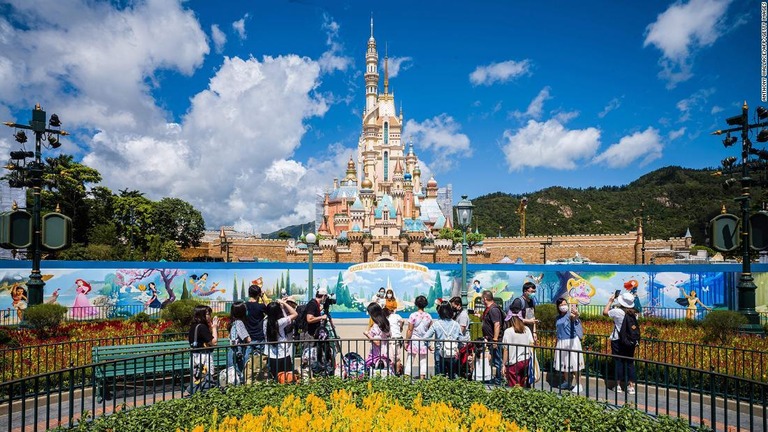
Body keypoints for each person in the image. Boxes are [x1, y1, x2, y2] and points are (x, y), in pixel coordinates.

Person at [603, 291, 637, 394]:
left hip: (617, 340)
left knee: (619, 362)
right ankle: (631, 387)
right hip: (630, 341)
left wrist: (610, 301)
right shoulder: (634, 313)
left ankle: (618, 386)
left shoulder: (617, 312)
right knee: (630, 363)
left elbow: (605, 313)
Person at [423, 302, 467, 378]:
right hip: (452, 351)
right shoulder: (455, 324)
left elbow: (426, 337)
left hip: (439, 351)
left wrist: (429, 346)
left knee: (439, 374)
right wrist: (458, 348)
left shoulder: (436, 324)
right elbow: (461, 339)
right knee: (452, 374)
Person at [554, 298, 584, 393]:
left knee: (575, 363)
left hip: (571, 342)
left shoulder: (569, 315)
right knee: (565, 363)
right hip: (561, 342)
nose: (563, 306)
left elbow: (574, 317)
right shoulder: (557, 318)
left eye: (565, 304)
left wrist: (576, 314)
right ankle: (567, 382)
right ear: (558, 307)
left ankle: (579, 384)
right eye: (561, 304)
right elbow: (558, 331)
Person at [263, 299, 298, 381]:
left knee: (274, 378)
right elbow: (295, 314)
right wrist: (284, 304)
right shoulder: (280, 322)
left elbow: (269, 311)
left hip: (270, 354)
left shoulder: (265, 322)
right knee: (286, 378)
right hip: (282, 354)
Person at [188, 305, 218, 392]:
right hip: (204, 357)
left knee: (197, 380)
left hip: (195, 356)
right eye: (208, 314)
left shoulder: (194, 326)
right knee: (206, 380)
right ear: (202, 315)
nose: (210, 316)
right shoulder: (202, 327)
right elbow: (214, 342)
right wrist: (214, 328)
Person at [501, 304, 533, 387]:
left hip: (514, 362)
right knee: (522, 383)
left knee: (513, 386)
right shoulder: (527, 329)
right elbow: (531, 343)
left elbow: (506, 349)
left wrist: (503, 364)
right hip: (525, 360)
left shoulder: (508, 331)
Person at [404, 295, 432, 379]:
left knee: (410, 359)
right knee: (423, 360)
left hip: (414, 340)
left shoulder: (413, 315)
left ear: (416, 304)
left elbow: (410, 330)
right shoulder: (429, 316)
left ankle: (407, 377)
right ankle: (422, 378)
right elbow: (430, 331)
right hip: (424, 341)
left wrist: (406, 341)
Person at [479, 290, 504, 385]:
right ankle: (494, 379)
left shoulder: (493, 309)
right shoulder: (489, 309)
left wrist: (495, 340)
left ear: (485, 298)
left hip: (494, 340)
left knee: (498, 361)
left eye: (482, 298)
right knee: (493, 360)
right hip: (489, 339)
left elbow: (497, 324)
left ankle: (498, 380)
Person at [304, 288, 331, 373]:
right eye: (326, 297)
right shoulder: (312, 304)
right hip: (310, 334)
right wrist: (321, 317)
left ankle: (316, 371)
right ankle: (307, 374)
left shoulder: (316, 304)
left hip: (315, 334)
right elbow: (309, 319)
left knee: (315, 355)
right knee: (309, 356)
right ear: (323, 296)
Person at [227, 301, 252, 384]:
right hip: (239, 351)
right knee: (239, 372)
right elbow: (246, 338)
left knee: (233, 372)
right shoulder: (239, 323)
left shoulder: (232, 323)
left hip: (232, 350)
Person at [363, 302, 391, 371]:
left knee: (376, 371)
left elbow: (377, 342)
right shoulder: (386, 323)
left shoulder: (376, 326)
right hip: (385, 351)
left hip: (377, 354)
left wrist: (367, 334)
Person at [244, 283, 268, 359]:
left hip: (248, 337)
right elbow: (269, 309)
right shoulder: (261, 306)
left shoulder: (244, 306)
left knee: (248, 361)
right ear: (258, 294)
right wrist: (263, 297)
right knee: (261, 361)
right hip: (259, 336)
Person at [385, 307, 405, 375]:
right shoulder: (396, 315)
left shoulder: (385, 318)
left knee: (390, 358)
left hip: (391, 338)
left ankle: (392, 373)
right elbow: (402, 321)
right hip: (398, 337)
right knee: (397, 358)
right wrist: (401, 327)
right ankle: (397, 373)